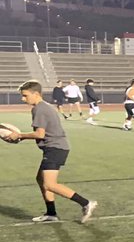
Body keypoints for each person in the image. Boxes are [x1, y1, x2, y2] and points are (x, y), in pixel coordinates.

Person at [6, 81, 98, 223]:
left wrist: (19, 135)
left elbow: (40, 134)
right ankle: (51, 213)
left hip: (55, 148)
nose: (23, 99)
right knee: (41, 179)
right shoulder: (43, 107)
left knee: (49, 184)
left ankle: (86, 203)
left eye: (25, 96)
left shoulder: (40, 109)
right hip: (54, 147)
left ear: (35, 94)